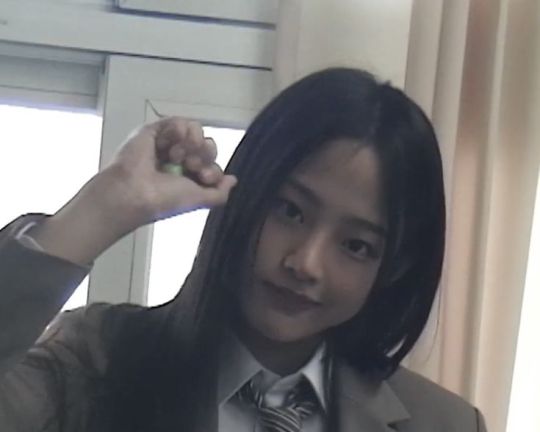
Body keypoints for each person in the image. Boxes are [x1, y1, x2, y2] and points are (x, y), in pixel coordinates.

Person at [0, 68, 487, 432]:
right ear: (243, 194)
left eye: (356, 246)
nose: (305, 263)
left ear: (395, 267)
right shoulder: (94, 360)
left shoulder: (446, 424)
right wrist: (107, 204)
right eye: (289, 210)